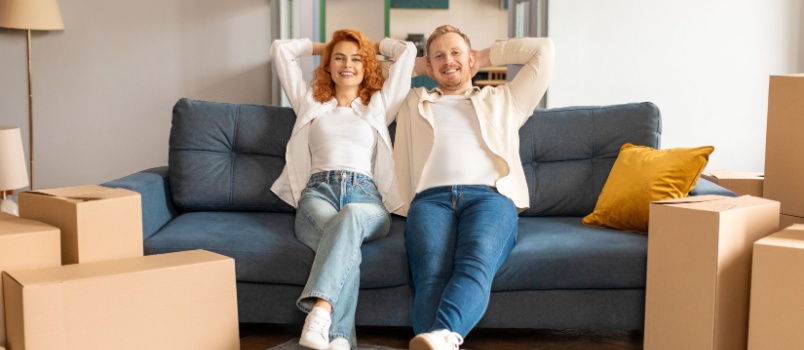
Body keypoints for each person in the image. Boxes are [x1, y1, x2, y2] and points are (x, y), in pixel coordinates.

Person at [392, 25, 555, 350]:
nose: (447, 60)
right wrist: (420, 63)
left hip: (490, 198)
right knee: (429, 274)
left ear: (470, 60)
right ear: (428, 64)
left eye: (456, 53)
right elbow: (372, 74)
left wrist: (487, 55)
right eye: (438, 55)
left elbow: (544, 51)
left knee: (476, 258)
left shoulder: (506, 99)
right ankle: (443, 340)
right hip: (429, 200)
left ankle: (443, 335)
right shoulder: (412, 101)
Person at [270, 30, 416, 350]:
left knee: (349, 218)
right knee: (343, 242)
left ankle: (320, 313)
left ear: (367, 66)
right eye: (339, 58)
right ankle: (338, 339)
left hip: (367, 199)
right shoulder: (310, 101)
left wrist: (369, 45)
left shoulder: (378, 106)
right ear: (328, 66)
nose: (347, 64)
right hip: (318, 194)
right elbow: (281, 50)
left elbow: (407, 52)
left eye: (355, 58)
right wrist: (329, 45)